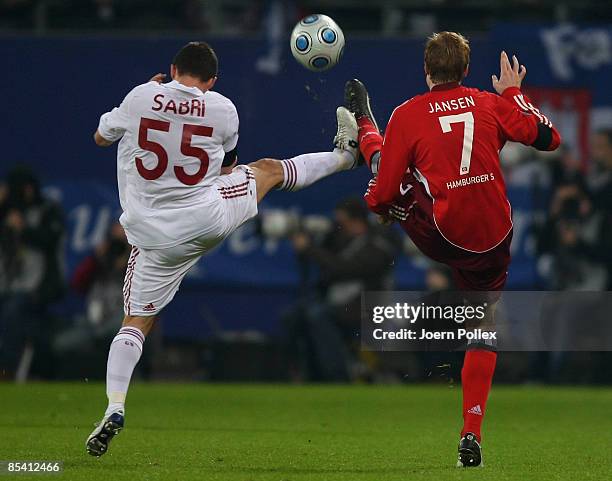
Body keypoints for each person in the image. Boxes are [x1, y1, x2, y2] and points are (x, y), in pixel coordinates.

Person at [86, 41, 360, 456]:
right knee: (267, 171)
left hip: (152, 239)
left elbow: (100, 138)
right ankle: (346, 156)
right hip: (205, 219)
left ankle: (115, 406)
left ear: (173, 68)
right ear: (212, 81)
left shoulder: (139, 98)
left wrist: (143, 100)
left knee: (135, 323)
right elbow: (229, 168)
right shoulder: (222, 109)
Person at [343, 32, 561, 467]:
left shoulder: (408, 113)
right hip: (497, 237)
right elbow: (549, 139)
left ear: (426, 70)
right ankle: (471, 433)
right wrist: (514, 93)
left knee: (391, 188)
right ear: (465, 71)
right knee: (483, 324)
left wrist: (386, 206)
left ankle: (363, 130)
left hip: (445, 235)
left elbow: (383, 192)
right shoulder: (488, 102)